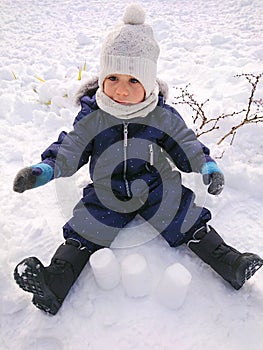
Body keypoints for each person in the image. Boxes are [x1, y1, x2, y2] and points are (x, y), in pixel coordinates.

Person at [13, 3, 262, 315]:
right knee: (86, 225)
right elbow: (71, 147)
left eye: (133, 80)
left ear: (148, 83)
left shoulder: (161, 116)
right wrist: (44, 170)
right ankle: (56, 281)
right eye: (113, 77)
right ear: (102, 77)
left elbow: (185, 142)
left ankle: (230, 262)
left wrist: (206, 165)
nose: (121, 89)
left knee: (184, 215)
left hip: (156, 185)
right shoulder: (93, 116)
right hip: (107, 189)